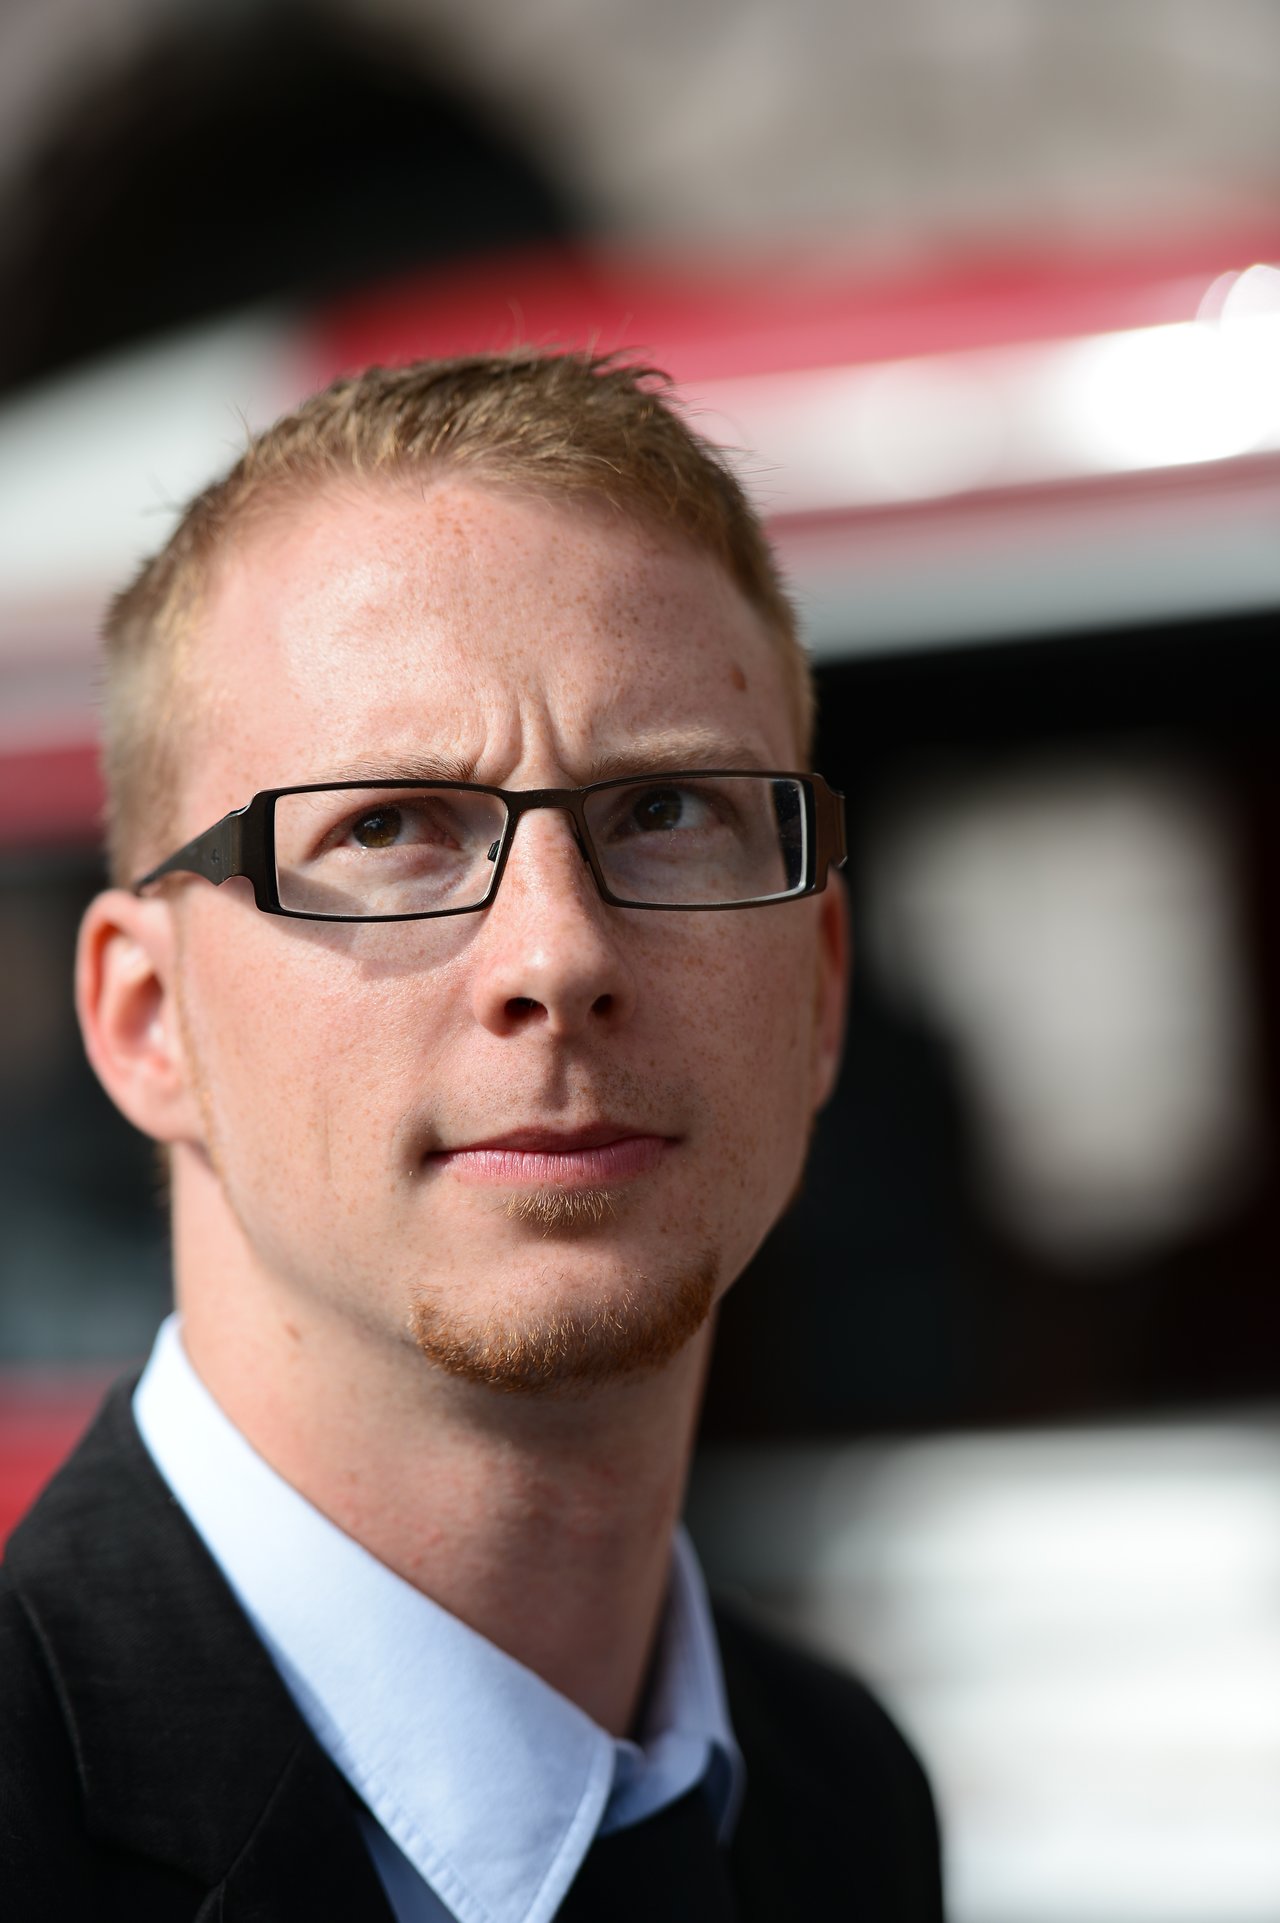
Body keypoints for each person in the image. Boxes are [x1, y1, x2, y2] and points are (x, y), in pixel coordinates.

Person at [0, 352, 943, 1919]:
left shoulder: (841, 1796)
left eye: (668, 812)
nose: (558, 955)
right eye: (386, 828)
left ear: (822, 985)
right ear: (146, 1019)